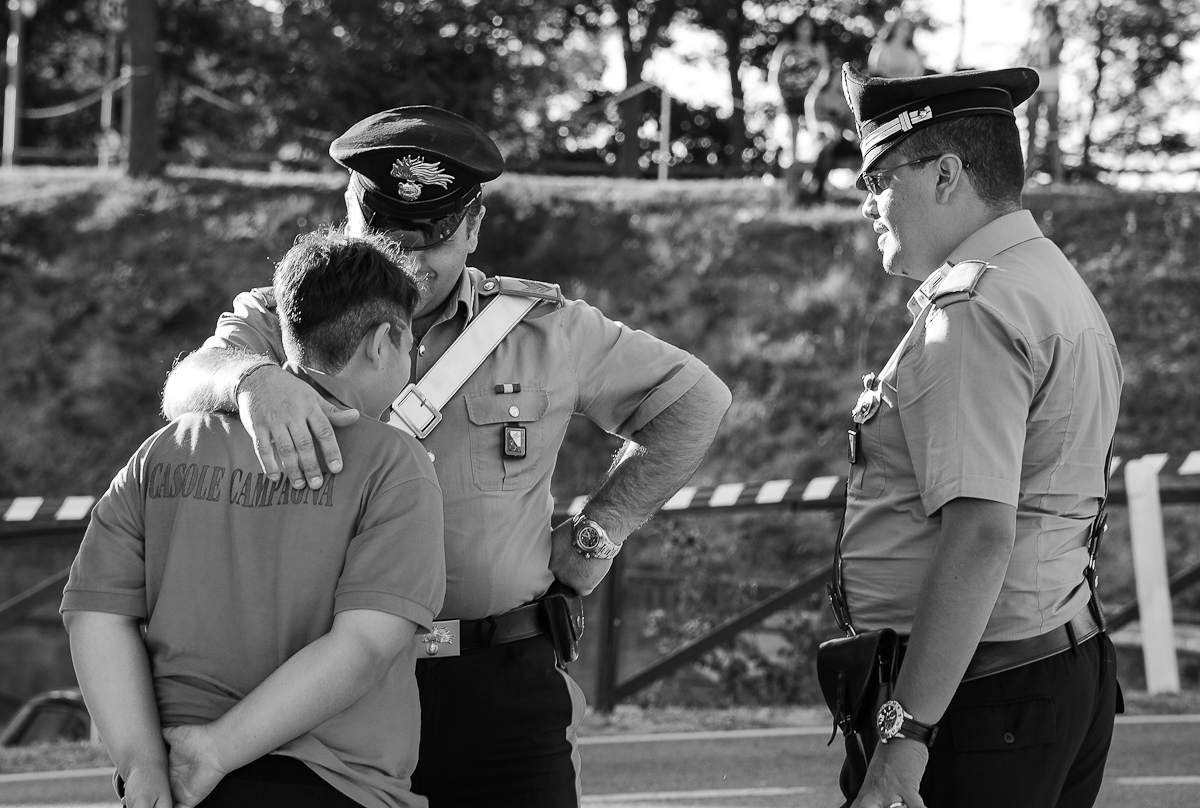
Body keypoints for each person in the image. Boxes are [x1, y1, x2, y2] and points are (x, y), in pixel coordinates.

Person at [160, 106, 732, 807]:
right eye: (385, 235)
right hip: (315, 686)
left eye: (429, 239)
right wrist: (250, 379)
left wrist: (599, 530)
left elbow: (697, 400)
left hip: (493, 685)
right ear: (349, 213)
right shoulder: (288, 317)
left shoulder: (547, 332)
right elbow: (191, 379)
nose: (406, 263)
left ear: (472, 227)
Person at [62, 231, 446, 808]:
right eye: (410, 340)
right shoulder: (394, 462)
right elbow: (365, 644)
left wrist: (140, 765)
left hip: (171, 781)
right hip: (333, 784)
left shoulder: (167, 447)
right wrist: (214, 750)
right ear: (384, 340)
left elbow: (96, 615)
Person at [830, 64, 1123, 808]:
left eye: (878, 178)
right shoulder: (1047, 276)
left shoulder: (972, 308)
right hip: (1052, 664)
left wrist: (905, 739)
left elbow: (981, 534)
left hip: (977, 698)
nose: (867, 203)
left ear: (947, 173)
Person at [767, 15, 830, 174]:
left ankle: (816, 159)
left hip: (812, 95)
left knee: (816, 127)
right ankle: (793, 160)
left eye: (808, 27)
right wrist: (777, 93)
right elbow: (775, 71)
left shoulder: (818, 47)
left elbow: (825, 70)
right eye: (802, 27)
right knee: (792, 127)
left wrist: (816, 89)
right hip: (790, 93)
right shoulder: (786, 46)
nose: (805, 31)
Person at [1022, 3, 1065, 181]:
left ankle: (1059, 175)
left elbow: (1050, 59)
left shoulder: (1058, 37)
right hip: (1035, 83)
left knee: (1053, 130)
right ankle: (1026, 175)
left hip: (1051, 84)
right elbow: (1027, 59)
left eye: (1049, 16)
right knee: (1031, 130)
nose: (1046, 20)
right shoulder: (1033, 36)